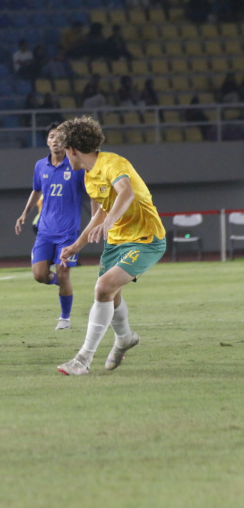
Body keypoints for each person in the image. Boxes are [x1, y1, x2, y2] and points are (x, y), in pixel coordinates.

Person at [54, 116, 166, 376]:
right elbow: (101, 214)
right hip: (116, 242)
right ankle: (125, 338)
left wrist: (110, 221)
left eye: (64, 150)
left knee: (103, 287)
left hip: (145, 239)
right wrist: (77, 245)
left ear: (72, 149)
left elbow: (126, 192)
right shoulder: (88, 176)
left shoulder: (112, 163)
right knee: (110, 294)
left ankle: (83, 359)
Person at [15, 122, 86, 330]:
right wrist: (24, 214)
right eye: (51, 136)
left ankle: (65, 318)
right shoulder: (40, 166)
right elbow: (36, 190)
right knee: (39, 275)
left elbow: (91, 193)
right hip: (45, 232)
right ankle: (61, 284)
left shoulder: (76, 166)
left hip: (68, 232)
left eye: (59, 137)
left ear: (65, 142)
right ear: (47, 141)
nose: (55, 140)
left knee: (64, 274)